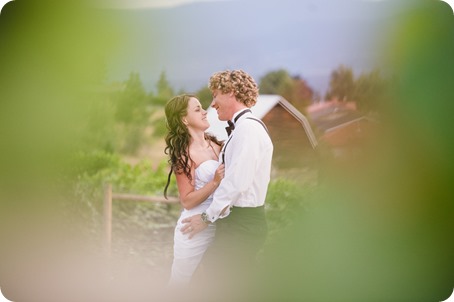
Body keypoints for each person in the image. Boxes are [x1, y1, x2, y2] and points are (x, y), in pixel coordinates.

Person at [181, 69, 274, 289]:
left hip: (243, 224)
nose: (212, 103)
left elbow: (236, 183)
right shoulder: (241, 129)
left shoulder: (248, 130)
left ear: (230, 92)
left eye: (215, 95)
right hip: (237, 223)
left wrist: (206, 218)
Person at [163, 94, 225, 285]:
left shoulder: (217, 144)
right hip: (194, 227)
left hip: (222, 220)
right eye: (198, 109)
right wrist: (213, 182)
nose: (205, 111)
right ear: (184, 119)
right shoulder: (184, 155)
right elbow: (187, 200)